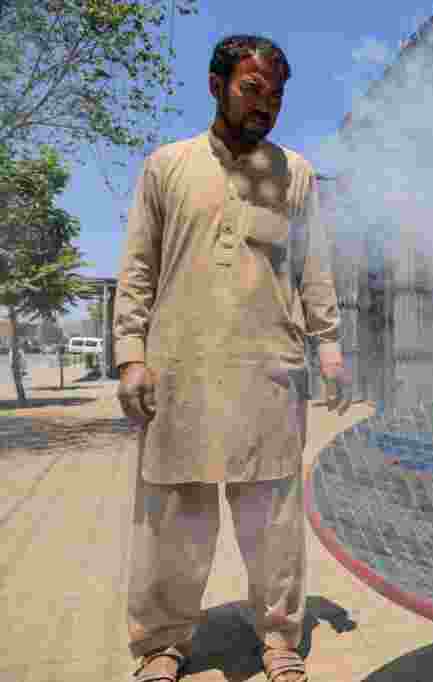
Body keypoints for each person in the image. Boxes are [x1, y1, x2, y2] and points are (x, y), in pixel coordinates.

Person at [114, 35, 351, 682]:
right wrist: (131, 354)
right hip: (180, 369)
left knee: (272, 518)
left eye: (276, 95)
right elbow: (137, 267)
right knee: (174, 521)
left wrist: (327, 343)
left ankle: (279, 641)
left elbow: (314, 269)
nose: (265, 105)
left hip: (268, 370)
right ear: (217, 85)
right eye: (252, 89)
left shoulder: (296, 174)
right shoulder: (168, 166)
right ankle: (163, 643)